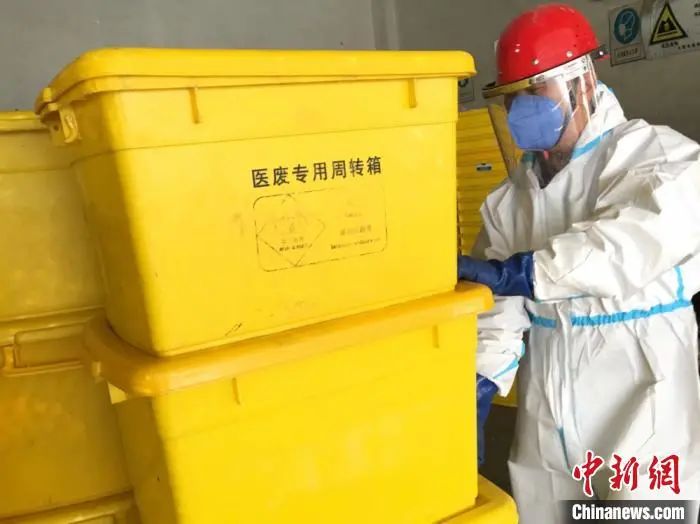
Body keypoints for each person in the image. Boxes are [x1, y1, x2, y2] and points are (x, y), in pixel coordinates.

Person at [459, 4, 700, 523]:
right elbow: (499, 305)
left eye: (537, 90)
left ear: (583, 80)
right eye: (512, 95)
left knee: (645, 512)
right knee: (545, 511)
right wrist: (481, 378)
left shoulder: (656, 158)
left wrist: (531, 272)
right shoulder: (511, 200)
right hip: (548, 402)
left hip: (640, 387)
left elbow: (629, 244)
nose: (523, 107)